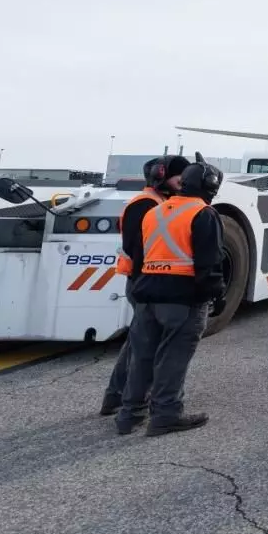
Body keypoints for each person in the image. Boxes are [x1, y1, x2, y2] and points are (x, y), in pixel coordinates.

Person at [119, 155, 223, 437]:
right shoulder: (203, 213)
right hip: (182, 297)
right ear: (210, 186)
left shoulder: (155, 211)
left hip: (147, 294)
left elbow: (139, 255)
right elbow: (208, 263)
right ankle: (166, 414)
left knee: (141, 356)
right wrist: (216, 295)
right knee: (173, 357)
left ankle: (129, 415)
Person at [99, 155, 189, 419]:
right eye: (179, 179)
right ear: (161, 177)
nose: (182, 184)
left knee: (137, 345)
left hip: (145, 281)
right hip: (144, 282)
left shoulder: (158, 201)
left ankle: (115, 397)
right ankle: (127, 399)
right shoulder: (146, 204)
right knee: (143, 347)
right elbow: (137, 248)